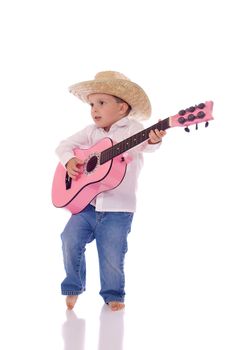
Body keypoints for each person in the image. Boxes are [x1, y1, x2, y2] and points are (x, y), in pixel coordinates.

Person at [55, 71, 166, 311]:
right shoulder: (90, 132)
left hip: (119, 209)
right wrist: (70, 161)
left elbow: (147, 145)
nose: (94, 109)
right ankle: (73, 286)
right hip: (87, 205)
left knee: (112, 255)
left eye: (101, 103)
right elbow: (64, 146)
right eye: (92, 104)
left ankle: (114, 295)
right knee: (69, 239)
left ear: (122, 108)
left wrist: (155, 139)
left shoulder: (132, 130)